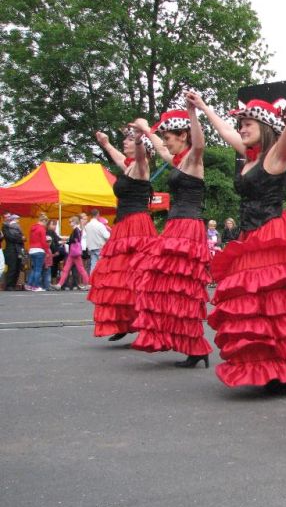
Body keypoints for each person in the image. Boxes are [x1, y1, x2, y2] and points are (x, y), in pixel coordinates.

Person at [187, 73, 286, 395]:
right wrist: (202, 107)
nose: (242, 128)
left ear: (263, 127)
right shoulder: (247, 157)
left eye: (248, 123)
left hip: (272, 234)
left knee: (273, 305)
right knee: (253, 306)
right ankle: (272, 368)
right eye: (241, 123)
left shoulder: (275, 156)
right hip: (250, 237)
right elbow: (222, 129)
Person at [129, 103, 213, 368]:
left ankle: (196, 347)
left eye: (169, 137)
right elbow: (161, 148)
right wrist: (145, 129)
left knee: (184, 291)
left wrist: (192, 114)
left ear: (183, 136)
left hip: (188, 227)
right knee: (164, 287)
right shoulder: (178, 161)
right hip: (176, 226)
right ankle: (189, 345)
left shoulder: (193, 158)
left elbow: (199, 143)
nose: (165, 143)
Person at [88, 127, 158, 341]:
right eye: (125, 140)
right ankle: (125, 322)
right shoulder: (129, 167)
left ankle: (144, 322)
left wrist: (138, 139)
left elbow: (139, 155)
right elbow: (119, 157)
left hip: (137, 226)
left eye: (129, 140)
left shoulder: (141, 166)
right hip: (123, 225)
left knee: (138, 276)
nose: (124, 143)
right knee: (120, 277)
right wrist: (105, 143)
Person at [53, 216, 91, 290]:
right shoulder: (78, 229)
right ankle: (59, 284)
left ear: (74, 222)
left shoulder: (76, 230)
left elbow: (75, 240)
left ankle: (88, 284)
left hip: (74, 253)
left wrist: (66, 241)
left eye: (70, 222)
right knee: (68, 269)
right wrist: (67, 241)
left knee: (77, 269)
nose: (69, 223)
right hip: (74, 253)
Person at [25, 213, 49, 292]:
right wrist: (47, 251)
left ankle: (29, 285)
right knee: (38, 269)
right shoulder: (42, 229)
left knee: (34, 269)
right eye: (46, 223)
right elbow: (43, 242)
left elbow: (30, 240)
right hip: (39, 250)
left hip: (32, 250)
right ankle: (35, 286)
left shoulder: (32, 228)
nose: (46, 225)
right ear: (44, 221)